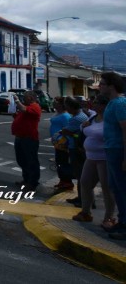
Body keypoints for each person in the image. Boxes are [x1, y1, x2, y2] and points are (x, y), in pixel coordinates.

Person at [73, 95, 117, 230]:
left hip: (104, 157)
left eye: (97, 103)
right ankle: (86, 212)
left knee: (106, 188)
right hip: (90, 156)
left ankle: (109, 217)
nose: (94, 105)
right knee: (85, 182)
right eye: (94, 102)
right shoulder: (92, 118)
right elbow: (85, 131)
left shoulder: (110, 120)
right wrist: (83, 126)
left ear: (105, 105)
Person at [96, 72, 126, 241]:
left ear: (111, 86)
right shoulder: (112, 103)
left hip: (118, 150)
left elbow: (125, 131)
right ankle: (122, 221)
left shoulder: (120, 104)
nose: (99, 86)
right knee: (116, 187)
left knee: (122, 189)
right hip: (112, 150)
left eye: (102, 83)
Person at [11, 91, 42, 192]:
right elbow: (23, 114)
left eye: (25, 97)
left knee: (31, 161)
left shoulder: (35, 106)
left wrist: (16, 100)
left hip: (29, 138)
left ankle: (32, 182)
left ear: (31, 97)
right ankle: (26, 179)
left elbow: (24, 110)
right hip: (20, 137)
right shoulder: (27, 106)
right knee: (22, 160)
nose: (23, 98)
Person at [49, 98, 73, 192]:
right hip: (57, 142)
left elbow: (67, 129)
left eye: (56, 102)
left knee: (63, 161)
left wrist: (65, 141)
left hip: (62, 142)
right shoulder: (57, 113)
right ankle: (62, 180)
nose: (54, 103)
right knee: (59, 161)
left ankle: (67, 181)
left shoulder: (65, 116)